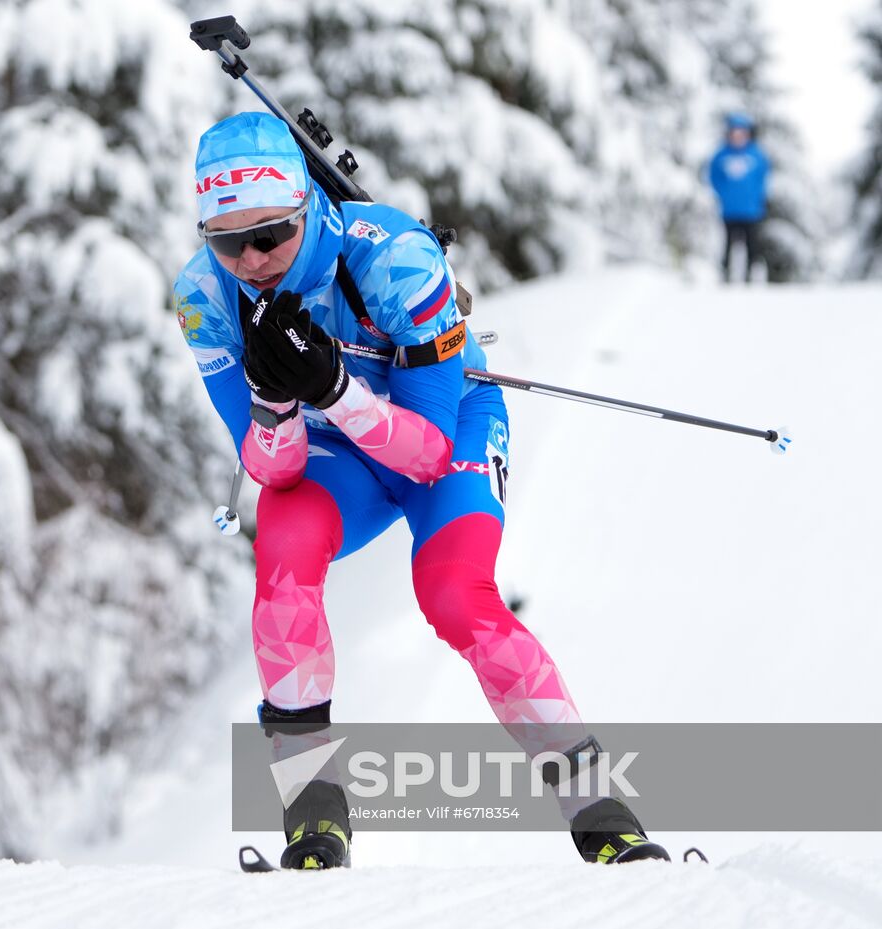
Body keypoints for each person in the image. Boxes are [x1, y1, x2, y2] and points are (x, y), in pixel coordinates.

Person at [174, 112, 669, 869]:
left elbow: (427, 452)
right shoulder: (206, 296)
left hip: (450, 426)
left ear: (307, 207)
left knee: (454, 594)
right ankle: (315, 816)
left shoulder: (398, 259)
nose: (251, 260)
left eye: (270, 234)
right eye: (227, 241)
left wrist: (333, 389)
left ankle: (602, 811)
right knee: (283, 554)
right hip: (337, 454)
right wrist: (276, 403)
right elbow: (269, 470)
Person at [708, 112, 772, 283]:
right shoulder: (721, 155)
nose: (738, 137)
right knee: (728, 244)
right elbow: (713, 178)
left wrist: (757, 197)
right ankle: (725, 275)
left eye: (741, 133)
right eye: (735, 133)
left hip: (751, 210)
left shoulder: (757, 155)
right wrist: (723, 194)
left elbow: (763, 179)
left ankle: (752, 276)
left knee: (752, 245)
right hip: (729, 210)